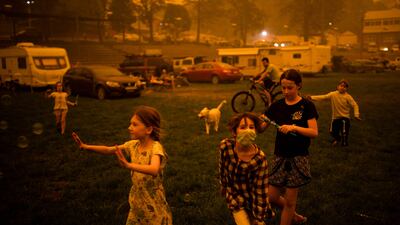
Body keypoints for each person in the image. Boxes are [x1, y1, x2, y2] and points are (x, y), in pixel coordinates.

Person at [71, 106, 173, 225]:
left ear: (148, 129)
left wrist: (128, 165)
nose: (129, 128)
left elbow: (154, 169)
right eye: (130, 124)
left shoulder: (156, 148)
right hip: (137, 199)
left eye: (134, 125)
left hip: (153, 202)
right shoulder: (133, 145)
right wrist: (86, 146)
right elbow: (109, 150)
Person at [261, 69, 318, 225]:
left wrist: (294, 128)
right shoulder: (277, 106)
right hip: (280, 156)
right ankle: (295, 216)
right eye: (283, 87)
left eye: (290, 87)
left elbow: (314, 132)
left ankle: (290, 214)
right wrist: (250, 122)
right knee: (271, 197)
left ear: (299, 86)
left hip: (298, 157)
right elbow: (261, 128)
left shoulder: (306, 106)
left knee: (290, 202)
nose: (285, 91)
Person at [219, 112, 273, 225]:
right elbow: (222, 167)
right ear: (234, 132)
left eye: (251, 127)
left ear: (256, 132)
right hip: (234, 196)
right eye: (243, 127)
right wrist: (223, 185)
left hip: (253, 199)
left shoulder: (260, 159)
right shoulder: (226, 146)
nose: (248, 130)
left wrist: (259, 217)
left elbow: (261, 190)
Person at [308, 79, 361, 146]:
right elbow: (323, 97)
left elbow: (355, 105)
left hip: (345, 117)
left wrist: (356, 114)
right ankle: (338, 139)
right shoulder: (333, 94)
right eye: (341, 86)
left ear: (346, 89)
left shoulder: (348, 97)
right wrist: (312, 97)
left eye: (345, 87)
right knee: (332, 132)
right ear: (337, 86)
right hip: (335, 118)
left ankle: (344, 144)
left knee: (344, 132)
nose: (342, 88)